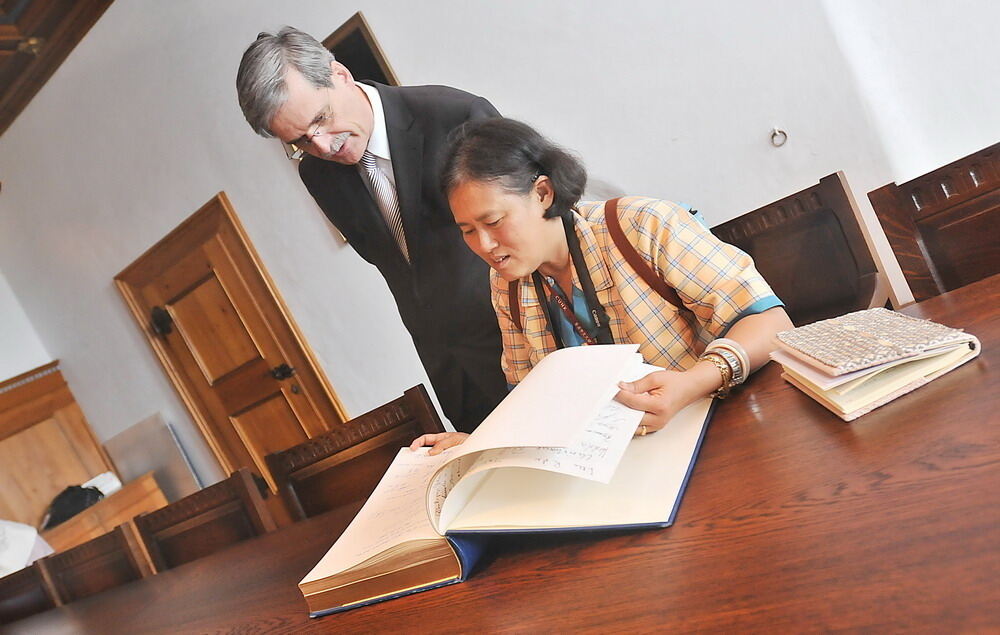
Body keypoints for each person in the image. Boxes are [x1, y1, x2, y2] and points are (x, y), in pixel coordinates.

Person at [411, 118, 794, 453]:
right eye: (467, 231)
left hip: (724, 429)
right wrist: (481, 443)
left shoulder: (641, 225)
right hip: (627, 462)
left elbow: (771, 324)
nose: (484, 246)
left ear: (543, 194)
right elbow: (529, 399)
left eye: (493, 221)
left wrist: (691, 384)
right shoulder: (506, 285)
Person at [236, 27, 507, 433]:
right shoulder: (318, 175)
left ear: (340, 75)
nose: (324, 146)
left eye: (321, 119)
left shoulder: (455, 117)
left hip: (522, 345)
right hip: (454, 376)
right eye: (301, 141)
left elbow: (530, 234)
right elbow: (398, 268)